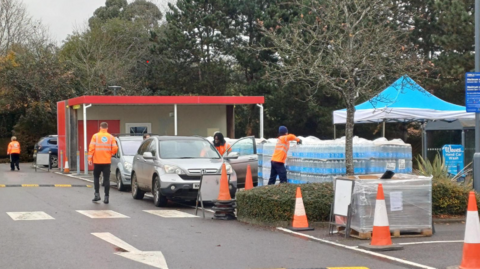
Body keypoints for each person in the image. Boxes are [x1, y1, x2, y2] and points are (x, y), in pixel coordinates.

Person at [88, 122, 118, 204]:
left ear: (100, 127)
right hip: (106, 161)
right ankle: (106, 197)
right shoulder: (111, 137)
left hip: (97, 161)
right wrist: (110, 153)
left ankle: (97, 195)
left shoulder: (95, 136)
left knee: (96, 177)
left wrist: (90, 158)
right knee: (107, 179)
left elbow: (91, 148)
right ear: (107, 128)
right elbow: (115, 148)